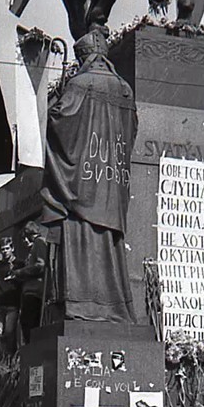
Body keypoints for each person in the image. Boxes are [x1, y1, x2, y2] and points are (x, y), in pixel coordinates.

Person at [40, 27, 138, 324]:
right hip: (112, 184)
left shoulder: (80, 84)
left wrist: (51, 103)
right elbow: (132, 130)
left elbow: (59, 120)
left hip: (82, 183)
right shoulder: (124, 88)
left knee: (82, 246)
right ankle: (113, 308)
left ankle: (85, 306)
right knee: (109, 249)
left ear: (83, 56)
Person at [12, 221, 47, 342]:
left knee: (29, 323)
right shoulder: (35, 246)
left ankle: (33, 350)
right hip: (31, 290)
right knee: (27, 323)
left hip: (35, 291)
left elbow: (40, 265)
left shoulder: (39, 243)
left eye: (24, 238)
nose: (24, 241)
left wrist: (20, 272)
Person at [0, 237, 21, 357]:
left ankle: (11, 359)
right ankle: (3, 359)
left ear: (12, 248)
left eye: (7, 249)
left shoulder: (19, 264)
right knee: (0, 334)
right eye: (2, 249)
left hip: (13, 304)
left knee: (10, 332)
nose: (5, 251)